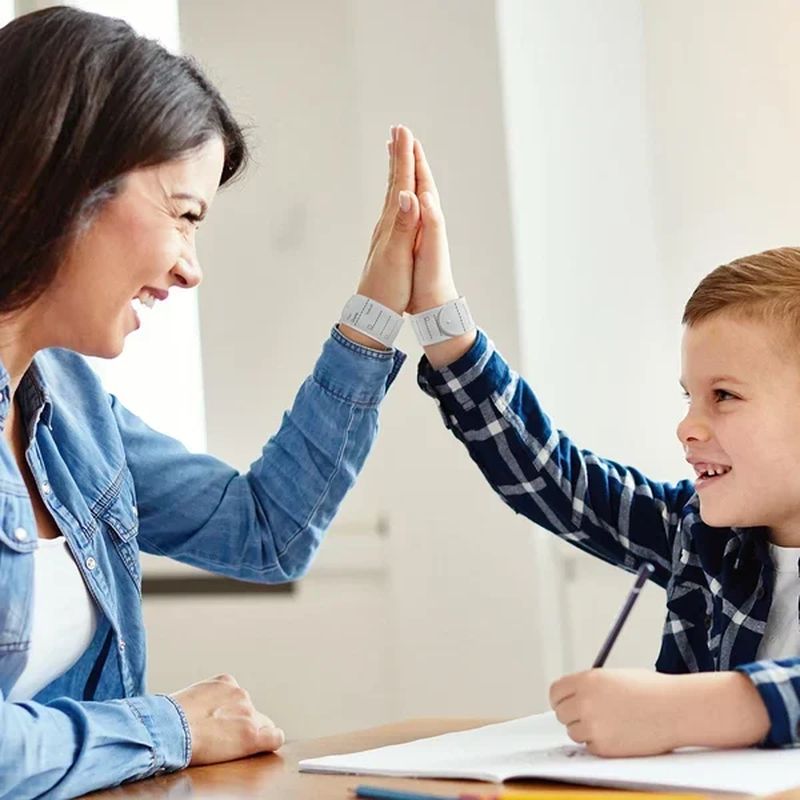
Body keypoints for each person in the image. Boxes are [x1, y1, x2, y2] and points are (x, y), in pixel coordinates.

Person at [0, 7, 423, 798]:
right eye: (184, 216)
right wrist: (175, 726)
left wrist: (374, 313)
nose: (191, 269)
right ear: (65, 179)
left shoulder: (73, 407)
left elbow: (267, 533)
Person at [408, 138, 800, 755]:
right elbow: (555, 481)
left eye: (723, 395)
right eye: (687, 398)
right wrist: (439, 318)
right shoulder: (698, 533)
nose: (688, 427)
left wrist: (695, 710)